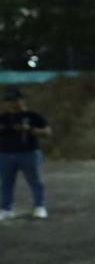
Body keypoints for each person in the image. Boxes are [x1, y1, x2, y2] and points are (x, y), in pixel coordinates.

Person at [0, 86, 51, 220]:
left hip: (29, 153)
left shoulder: (33, 116)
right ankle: (6, 209)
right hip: (5, 154)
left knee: (35, 181)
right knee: (6, 183)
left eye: (14, 100)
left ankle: (39, 206)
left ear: (21, 100)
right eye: (8, 100)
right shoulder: (3, 118)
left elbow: (47, 132)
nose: (11, 103)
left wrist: (30, 129)